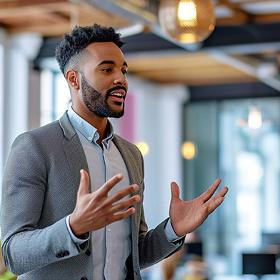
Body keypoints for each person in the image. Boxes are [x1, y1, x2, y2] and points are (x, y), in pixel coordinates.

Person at [1, 24, 228, 280]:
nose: (120, 79)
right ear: (73, 79)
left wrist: (173, 230)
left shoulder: (131, 155)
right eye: (107, 69)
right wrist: (73, 228)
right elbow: (13, 254)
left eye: (123, 70)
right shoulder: (34, 146)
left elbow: (133, 255)